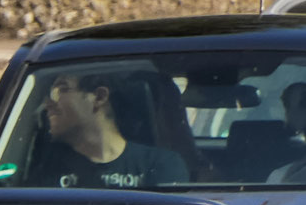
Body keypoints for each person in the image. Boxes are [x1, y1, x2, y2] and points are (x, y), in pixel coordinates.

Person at [33, 70, 192, 190]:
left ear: (99, 97)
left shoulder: (161, 165)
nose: (47, 104)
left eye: (60, 90)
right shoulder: (44, 165)